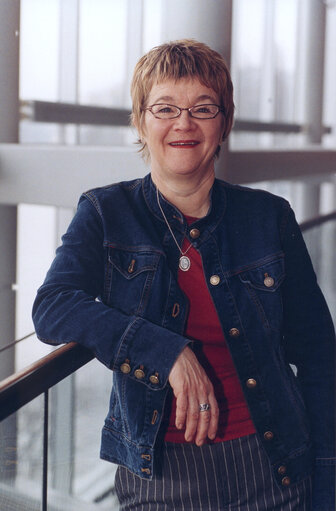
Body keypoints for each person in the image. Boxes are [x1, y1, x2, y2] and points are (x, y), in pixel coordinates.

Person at [33, 39, 335, 511]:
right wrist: (166, 352)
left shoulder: (269, 216)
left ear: (225, 122)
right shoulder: (105, 211)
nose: (184, 123)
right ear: (140, 120)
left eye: (203, 107)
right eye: (165, 107)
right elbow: (52, 307)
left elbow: (320, 357)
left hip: (275, 465)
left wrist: (327, 483)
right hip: (160, 475)